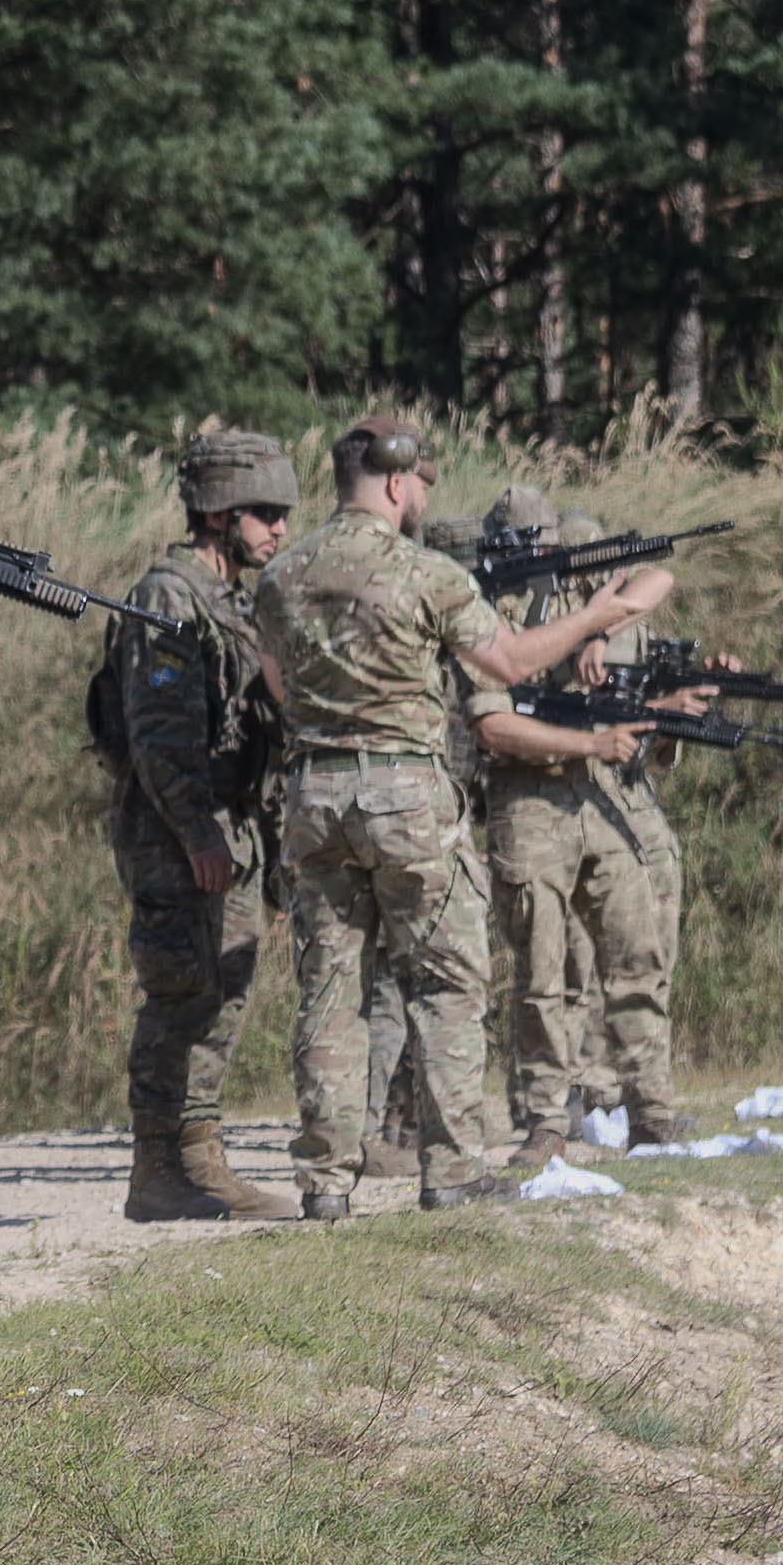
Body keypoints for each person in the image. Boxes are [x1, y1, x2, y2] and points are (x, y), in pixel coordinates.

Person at [258, 424, 666, 1218]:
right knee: (446, 982)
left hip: (314, 794)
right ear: (398, 483)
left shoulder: (280, 574)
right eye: (423, 487)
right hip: (407, 797)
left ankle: (324, 1186)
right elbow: (509, 664)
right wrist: (595, 620)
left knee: (330, 989)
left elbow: (275, 681)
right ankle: (448, 1174)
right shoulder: (426, 572)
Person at [100, 429, 297, 1222]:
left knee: (224, 990)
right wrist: (195, 830)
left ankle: (199, 1156)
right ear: (219, 512)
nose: (279, 528)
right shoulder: (168, 596)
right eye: (265, 512)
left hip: (227, 824)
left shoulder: (227, 598)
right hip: (178, 829)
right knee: (180, 988)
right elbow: (158, 728)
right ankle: (158, 1168)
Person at [476, 493, 694, 1160]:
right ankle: (546, 1117)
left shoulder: (573, 598)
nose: (538, 557)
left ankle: (650, 1105)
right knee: (541, 974)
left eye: (543, 544)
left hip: (595, 800)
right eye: (525, 545)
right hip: (529, 800)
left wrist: (597, 624)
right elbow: (493, 721)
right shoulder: (481, 612)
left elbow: (658, 576)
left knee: (635, 955)